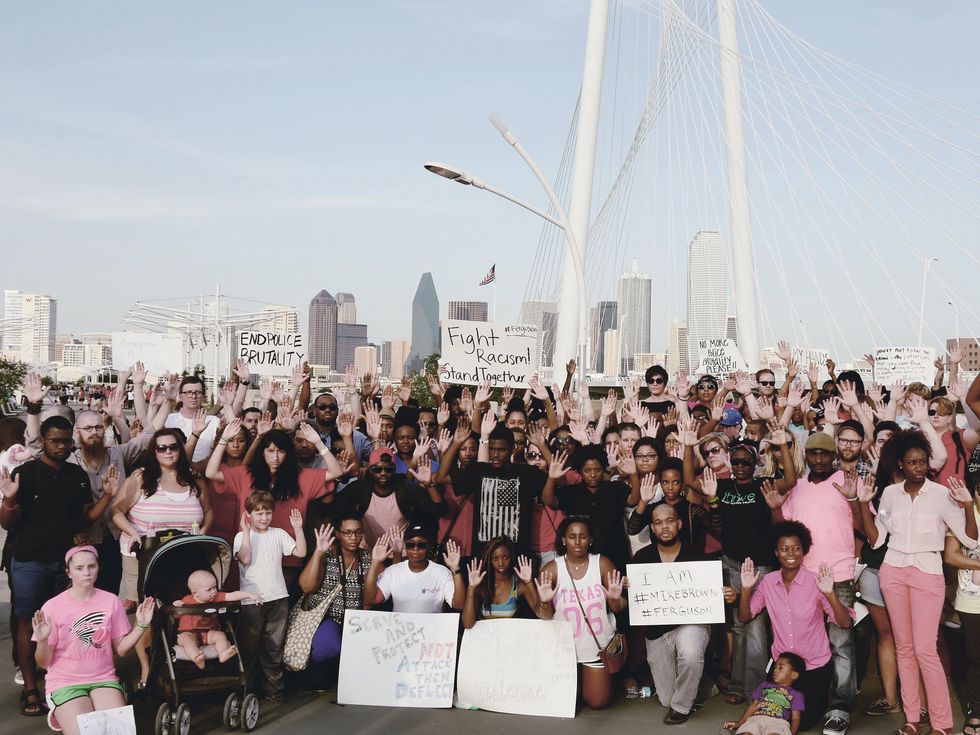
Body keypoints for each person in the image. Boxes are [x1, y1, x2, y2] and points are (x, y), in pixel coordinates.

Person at [857, 430, 977, 735]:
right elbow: (876, 539)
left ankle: (942, 723)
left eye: (923, 462)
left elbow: (970, 539)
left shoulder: (941, 495)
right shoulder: (889, 494)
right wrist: (861, 505)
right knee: (904, 648)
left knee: (925, 650)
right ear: (901, 463)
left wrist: (966, 506)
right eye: (912, 462)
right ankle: (912, 718)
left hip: (927, 572)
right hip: (893, 571)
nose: (919, 467)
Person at [1, 416, 116, 717]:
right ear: (44, 441)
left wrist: (109, 495)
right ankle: (30, 687)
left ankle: (60, 685)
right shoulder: (25, 473)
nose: (63, 446)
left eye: (67, 441)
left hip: (65, 565)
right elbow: (7, 522)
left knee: (63, 626)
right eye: (56, 441)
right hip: (29, 561)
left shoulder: (76, 474)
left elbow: (85, 517)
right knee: (28, 623)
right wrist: (9, 501)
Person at [772, 431, 859, 735]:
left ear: (834, 455)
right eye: (814, 454)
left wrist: (855, 498)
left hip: (839, 575)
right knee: (804, 645)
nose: (820, 459)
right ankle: (799, 702)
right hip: (803, 577)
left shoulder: (849, 483)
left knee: (842, 645)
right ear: (806, 456)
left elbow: (864, 528)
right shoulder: (796, 489)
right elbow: (783, 529)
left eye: (825, 454)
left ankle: (840, 707)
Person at [739, 521, 853, 731]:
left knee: (800, 722)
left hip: (814, 667)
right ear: (776, 552)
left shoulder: (816, 581)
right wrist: (746, 589)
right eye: (784, 548)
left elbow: (845, 622)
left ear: (804, 551)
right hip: (781, 671)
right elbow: (745, 616)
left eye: (796, 548)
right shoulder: (767, 582)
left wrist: (829, 593)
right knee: (771, 717)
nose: (791, 553)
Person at [32, 546, 154, 734]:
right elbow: (43, 661)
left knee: (119, 731)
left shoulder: (111, 601)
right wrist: (42, 640)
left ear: (98, 567)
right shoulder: (52, 607)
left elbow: (121, 649)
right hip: (65, 682)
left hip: (103, 678)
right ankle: (62, 713)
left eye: (92, 566)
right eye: (79, 568)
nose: (87, 573)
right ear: (69, 572)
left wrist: (141, 625)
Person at [632, 503, 736, 723]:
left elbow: (711, 595)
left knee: (689, 654)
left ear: (679, 524)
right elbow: (631, 604)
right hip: (657, 632)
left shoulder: (697, 555)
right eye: (658, 523)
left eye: (669, 521)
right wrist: (617, 594)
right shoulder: (641, 559)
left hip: (692, 624)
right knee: (666, 699)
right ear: (652, 528)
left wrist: (727, 595)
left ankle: (681, 709)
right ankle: (706, 683)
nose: (665, 527)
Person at [533, 516, 627, 710]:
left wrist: (616, 598)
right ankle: (579, 681)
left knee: (597, 702)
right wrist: (544, 601)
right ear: (563, 540)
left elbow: (618, 609)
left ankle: (596, 680)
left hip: (596, 646)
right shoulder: (551, 569)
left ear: (590, 540)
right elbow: (545, 616)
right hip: (563, 650)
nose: (577, 542)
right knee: (563, 704)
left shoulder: (602, 564)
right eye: (572, 536)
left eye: (583, 536)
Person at [234, 492, 308, 702]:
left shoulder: (279, 533)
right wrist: (246, 532)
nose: (264, 517)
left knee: (274, 647)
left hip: (278, 596)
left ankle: (274, 690)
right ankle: (246, 689)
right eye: (259, 513)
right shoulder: (241, 537)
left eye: (267, 513)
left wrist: (298, 529)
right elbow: (245, 558)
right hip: (252, 600)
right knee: (249, 646)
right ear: (248, 514)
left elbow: (300, 552)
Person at [438, 420, 547, 556]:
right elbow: (441, 478)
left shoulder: (526, 473)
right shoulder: (479, 471)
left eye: (501, 450)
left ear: (512, 449)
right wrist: (456, 443)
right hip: (483, 555)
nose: (495, 455)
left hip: (517, 556)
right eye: (492, 449)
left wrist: (542, 446)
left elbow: (556, 476)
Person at [298, 515, 372, 689]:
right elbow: (307, 587)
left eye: (358, 532)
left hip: (357, 620)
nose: (353, 537)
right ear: (338, 534)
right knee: (328, 647)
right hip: (328, 617)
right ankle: (318, 677)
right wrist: (318, 553)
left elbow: (385, 590)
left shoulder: (367, 558)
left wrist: (387, 557)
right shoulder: (328, 553)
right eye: (347, 533)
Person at [543, 444, 640, 571]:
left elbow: (634, 500)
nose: (593, 474)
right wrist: (551, 478)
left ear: (603, 469)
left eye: (597, 470)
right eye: (587, 470)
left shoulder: (615, 488)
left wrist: (633, 474)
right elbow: (548, 500)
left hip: (615, 552)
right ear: (580, 471)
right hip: (582, 555)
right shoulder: (572, 492)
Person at [334, 447, 446, 551]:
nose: (383, 473)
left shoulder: (405, 487)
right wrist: (337, 478)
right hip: (368, 552)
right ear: (370, 470)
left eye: (389, 469)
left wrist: (429, 484)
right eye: (377, 469)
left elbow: (440, 510)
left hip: (401, 552)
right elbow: (332, 509)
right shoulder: (359, 488)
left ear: (395, 470)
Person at [363, 523, 464, 613]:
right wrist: (375, 562)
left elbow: (459, 605)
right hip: (401, 631)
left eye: (421, 545)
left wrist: (455, 568)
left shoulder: (442, 573)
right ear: (405, 546)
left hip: (432, 631)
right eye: (410, 545)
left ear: (429, 546)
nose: (415, 549)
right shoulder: (393, 571)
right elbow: (370, 599)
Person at [172, 569, 261, 669]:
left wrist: (249, 595)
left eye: (215, 587)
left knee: (220, 635)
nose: (214, 591)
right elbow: (175, 615)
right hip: (188, 633)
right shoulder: (187, 601)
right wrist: (177, 607)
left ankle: (223, 654)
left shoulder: (216, 597)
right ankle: (197, 658)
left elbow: (233, 595)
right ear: (195, 593)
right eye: (209, 589)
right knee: (187, 640)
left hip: (208, 633)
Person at [462, 536, 538, 628]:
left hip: (509, 638)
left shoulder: (518, 585)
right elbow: (467, 624)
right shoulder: (481, 585)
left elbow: (541, 613)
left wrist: (529, 582)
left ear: (511, 557)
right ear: (489, 560)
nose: (501, 563)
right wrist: (471, 588)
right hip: (484, 638)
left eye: (505, 557)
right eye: (495, 558)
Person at [722, 653, 807, 735]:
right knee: (747, 732)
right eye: (775, 667)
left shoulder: (796, 694)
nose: (775, 670)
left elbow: (796, 718)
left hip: (778, 723)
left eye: (780, 668)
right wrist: (739, 723)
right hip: (756, 719)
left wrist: (791, 733)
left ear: (794, 675)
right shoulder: (764, 685)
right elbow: (753, 706)